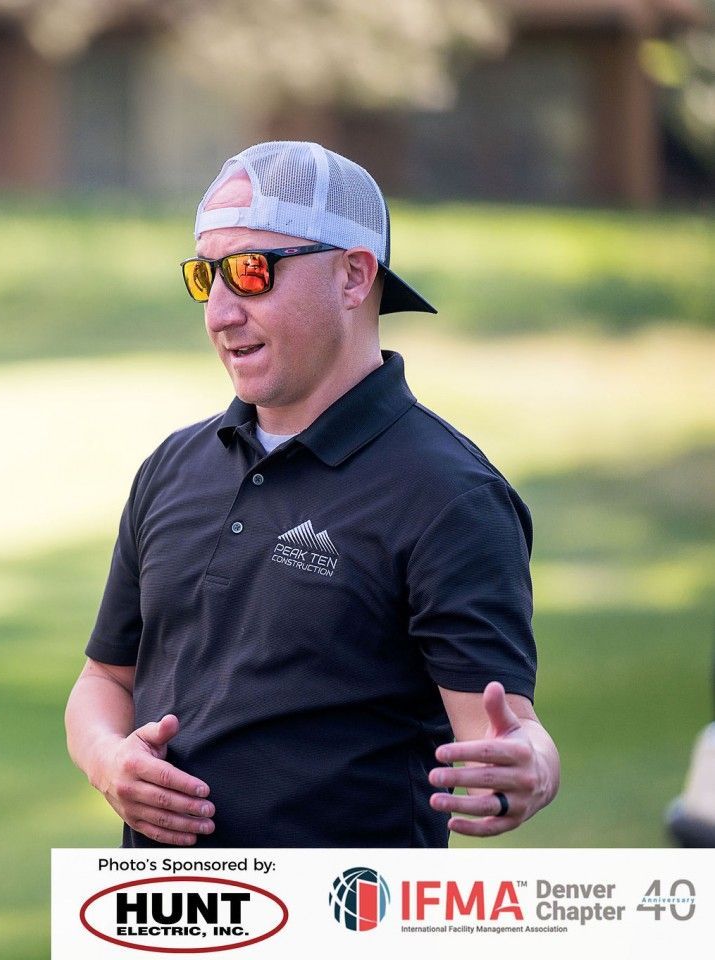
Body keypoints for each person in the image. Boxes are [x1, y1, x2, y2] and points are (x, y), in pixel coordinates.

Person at [65, 141, 560, 848]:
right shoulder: (173, 466)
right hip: (162, 907)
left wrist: (529, 768)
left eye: (251, 271)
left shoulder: (448, 495)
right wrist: (106, 760)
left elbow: (506, 730)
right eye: (206, 276)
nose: (219, 312)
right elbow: (104, 679)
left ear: (353, 276)